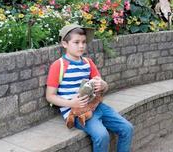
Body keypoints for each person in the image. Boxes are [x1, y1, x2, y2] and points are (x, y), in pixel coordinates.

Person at [46, 24, 134, 152]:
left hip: (96, 105)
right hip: (78, 112)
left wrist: (103, 85)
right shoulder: (58, 65)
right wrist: (71, 103)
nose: (81, 46)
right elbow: (50, 96)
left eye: (83, 42)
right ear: (65, 44)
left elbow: (102, 85)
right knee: (102, 136)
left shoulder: (88, 62)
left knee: (127, 128)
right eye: (76, 42)